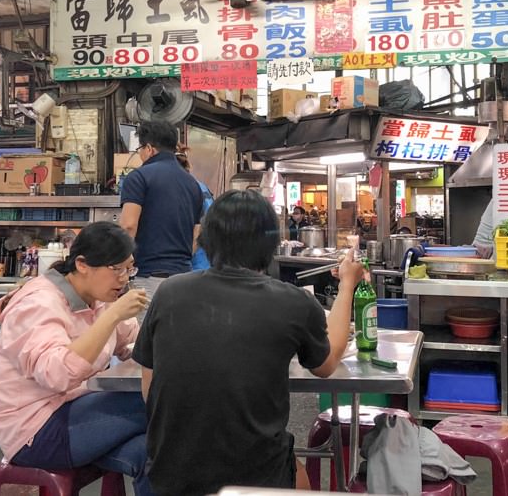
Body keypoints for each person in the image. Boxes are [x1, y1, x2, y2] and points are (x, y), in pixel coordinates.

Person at [132, 189, 365, 496]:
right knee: (301, 476)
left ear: (208, 239)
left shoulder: (169, 292)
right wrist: (347, 283)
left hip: (169, 474)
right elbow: (328, 363)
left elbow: (149, 385)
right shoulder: (291, 301)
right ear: (269, 244)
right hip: (253, 479)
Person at [0, 222, 153, 495]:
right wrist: (112, 316)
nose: (124, 278)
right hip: (36, 430)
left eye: (129, 268)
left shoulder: (99, 297)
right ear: (83, 265)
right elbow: (56, 375)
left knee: (155, 451)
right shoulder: (38, 303)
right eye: (117, 270)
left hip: (76, 408)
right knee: (164, 402)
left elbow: (131, 344)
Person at [120, 120, 203, 299]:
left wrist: (120, 266)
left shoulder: (138, 177)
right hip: (184, 279)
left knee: (143, 328)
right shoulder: (193, 184)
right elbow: (197, 234)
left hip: (148, 278)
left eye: (140, 149)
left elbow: (128, 226)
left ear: (149, 148)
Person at [173, 145, 213, 272]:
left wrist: (186, 258)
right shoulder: (200, 186)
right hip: (206, 262)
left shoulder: (189, 189)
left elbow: (198, 229)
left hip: (195, 263)